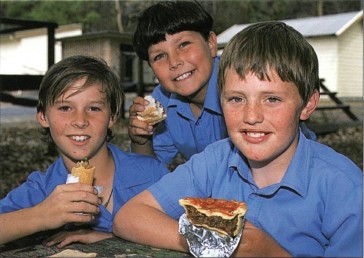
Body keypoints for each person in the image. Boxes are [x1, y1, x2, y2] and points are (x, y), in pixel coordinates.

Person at [113, 21, 363, 257]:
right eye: (236, 99)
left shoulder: (346, 189)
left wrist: (273, 254)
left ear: (308, 104)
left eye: (272, 99)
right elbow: (128, 218)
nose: (251, 116)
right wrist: (210, 244)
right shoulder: (215, 160)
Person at [0, 55, 169, 247]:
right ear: (43, 117)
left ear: (112, 117)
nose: (80, 121)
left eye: (94, 108)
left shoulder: (151, 173)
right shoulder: (44, 189)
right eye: (65, 107)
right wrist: (41, 215)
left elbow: (188, 228)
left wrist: (114, 239)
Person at [128, 0, 316, 168]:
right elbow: (148, 172)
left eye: (183, 44)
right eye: (159, 56)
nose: (174, 62)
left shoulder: (243, 81)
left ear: (211, 44)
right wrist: (141, 140)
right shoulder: (163, 101)